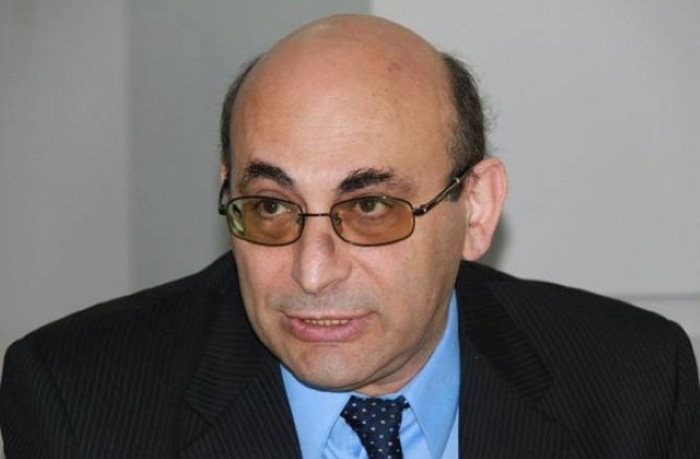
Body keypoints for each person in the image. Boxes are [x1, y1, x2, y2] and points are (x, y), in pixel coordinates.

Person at [1, 13, 698, 459]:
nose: (311, 273)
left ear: (476, 209)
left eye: (369, 207)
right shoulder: (77, 404)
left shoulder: (634, 382)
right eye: (270, 206)